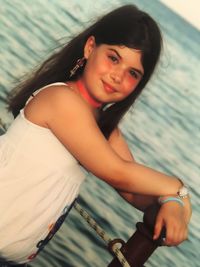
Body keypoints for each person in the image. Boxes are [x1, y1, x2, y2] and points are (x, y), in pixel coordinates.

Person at [0, 4, 191, 267]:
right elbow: (117, 172)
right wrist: (178, 189)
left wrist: (172, 202)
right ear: (90, 48)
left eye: (133, 73)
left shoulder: (103, 127)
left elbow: (133, 190)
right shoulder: (61, 100)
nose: (117, 76)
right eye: (113, 58)